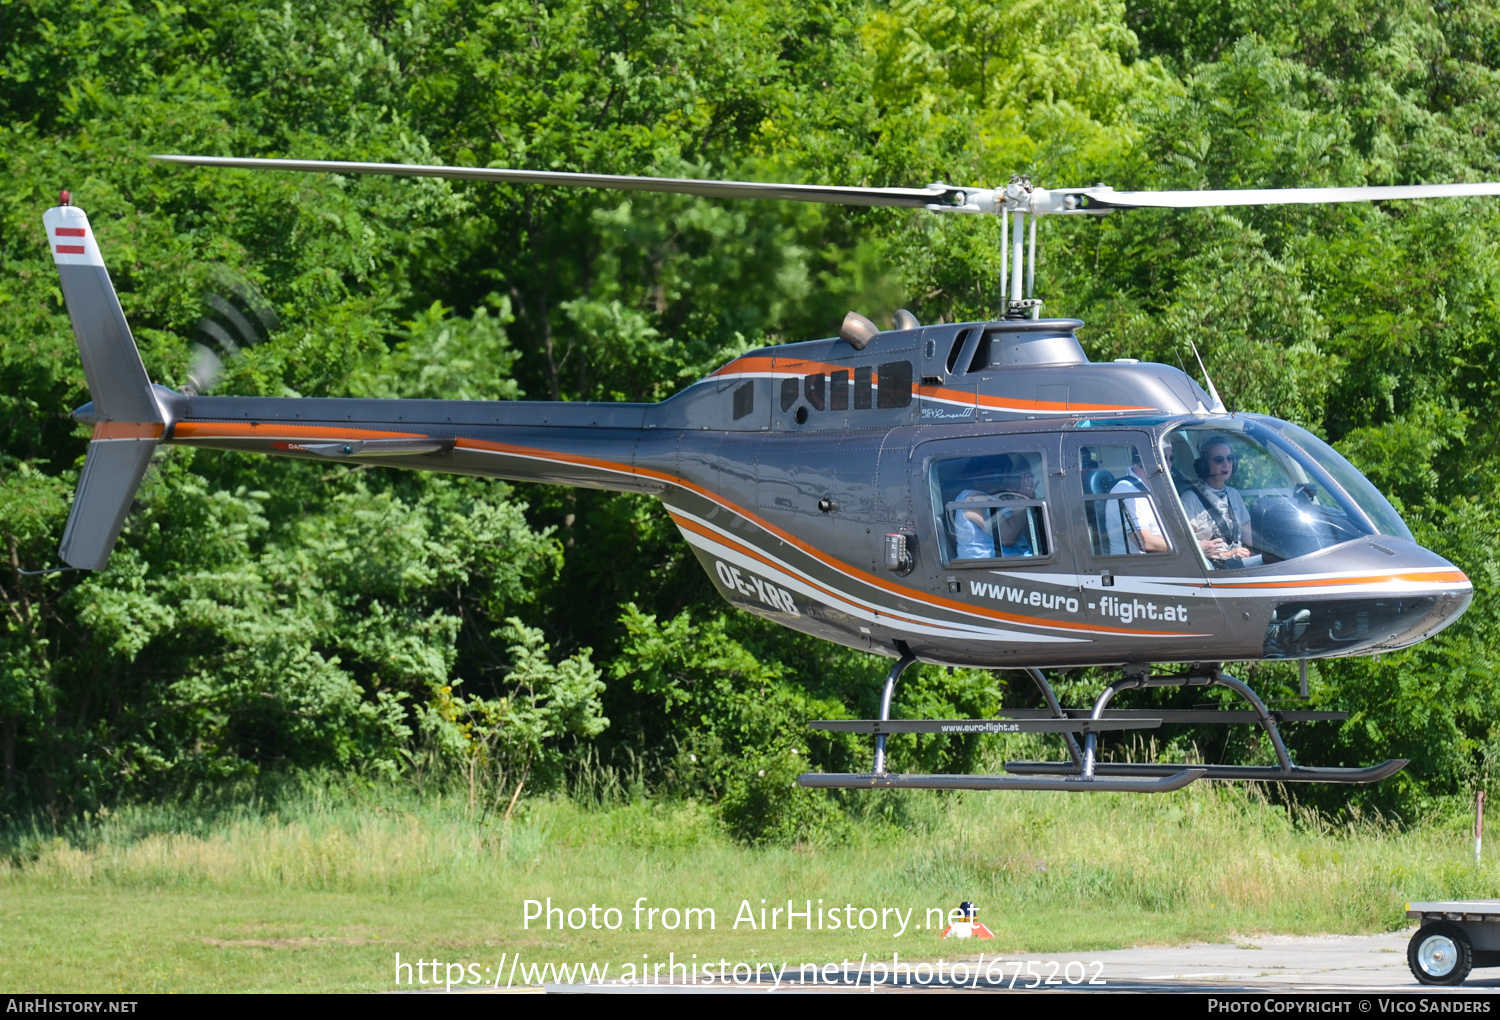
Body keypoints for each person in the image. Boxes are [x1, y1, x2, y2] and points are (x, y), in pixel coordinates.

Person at [1179, 434, 1254, 568]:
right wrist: (1226, 554)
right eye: (1219, 459)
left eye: (1230, 458)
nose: (1226, 464)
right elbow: (1184, 544)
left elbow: (1250, 538)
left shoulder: (1234, 494)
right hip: (1212, 568)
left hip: (1239, 562)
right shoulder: (1191, 498)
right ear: (1204, 465)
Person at [1104, 448, 1168, 554]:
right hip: (1137, 566)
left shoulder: (1155, 489)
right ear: (1145, 460)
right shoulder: (1126, 490)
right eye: (1165, 458)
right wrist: (1191, 547)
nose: (1170, 464)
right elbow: (1145, 543)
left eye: (1172, 459)